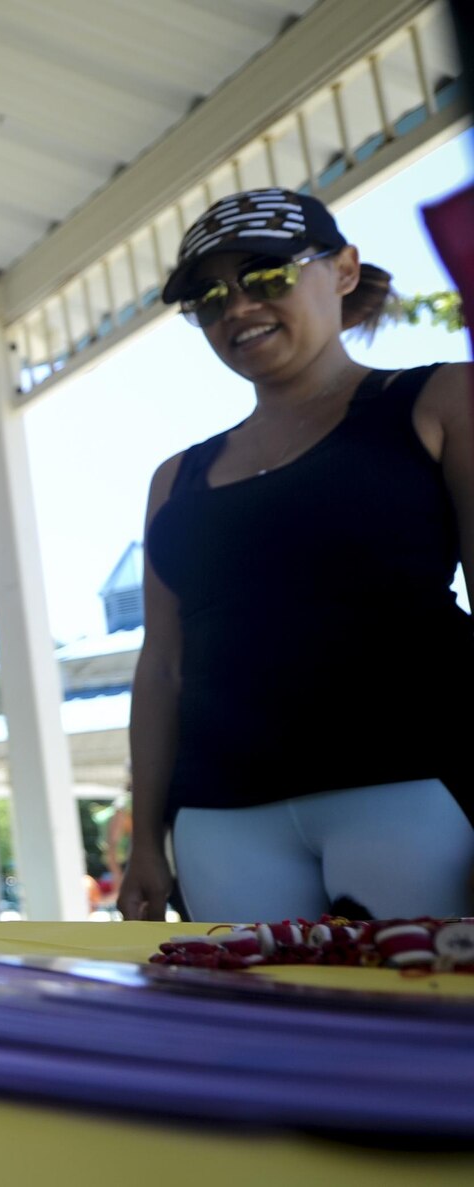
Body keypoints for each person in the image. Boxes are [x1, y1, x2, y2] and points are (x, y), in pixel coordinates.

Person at [121, 188, 474, 924]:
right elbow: (162, 667)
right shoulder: (174, 478)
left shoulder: (441, 398)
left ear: (343, 269)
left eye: (268, 276)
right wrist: (146, 843)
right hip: (220, 820)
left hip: (413, 788)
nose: (238, 307)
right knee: (257, 1038)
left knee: (424, 1031)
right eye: (208, 297)